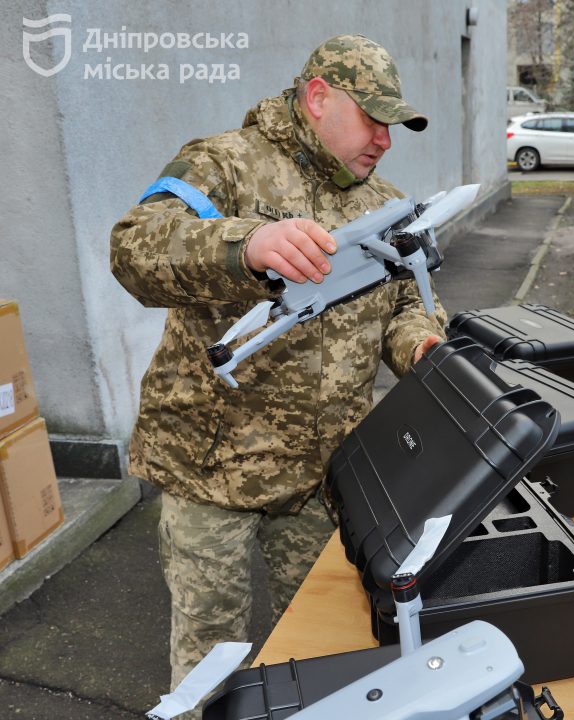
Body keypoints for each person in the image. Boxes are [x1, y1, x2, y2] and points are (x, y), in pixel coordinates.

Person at [110, 34, 446, 703]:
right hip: (213, 473)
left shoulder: (382, 201)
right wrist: (249, 244)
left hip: (323, 479)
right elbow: (135, 249)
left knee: (325, 653)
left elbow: (407, 300)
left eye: (394, 124)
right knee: (211, 669)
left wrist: (422, 348)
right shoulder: (224, 165)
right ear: (318, 97)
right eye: (372, 117)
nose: (384, 138)